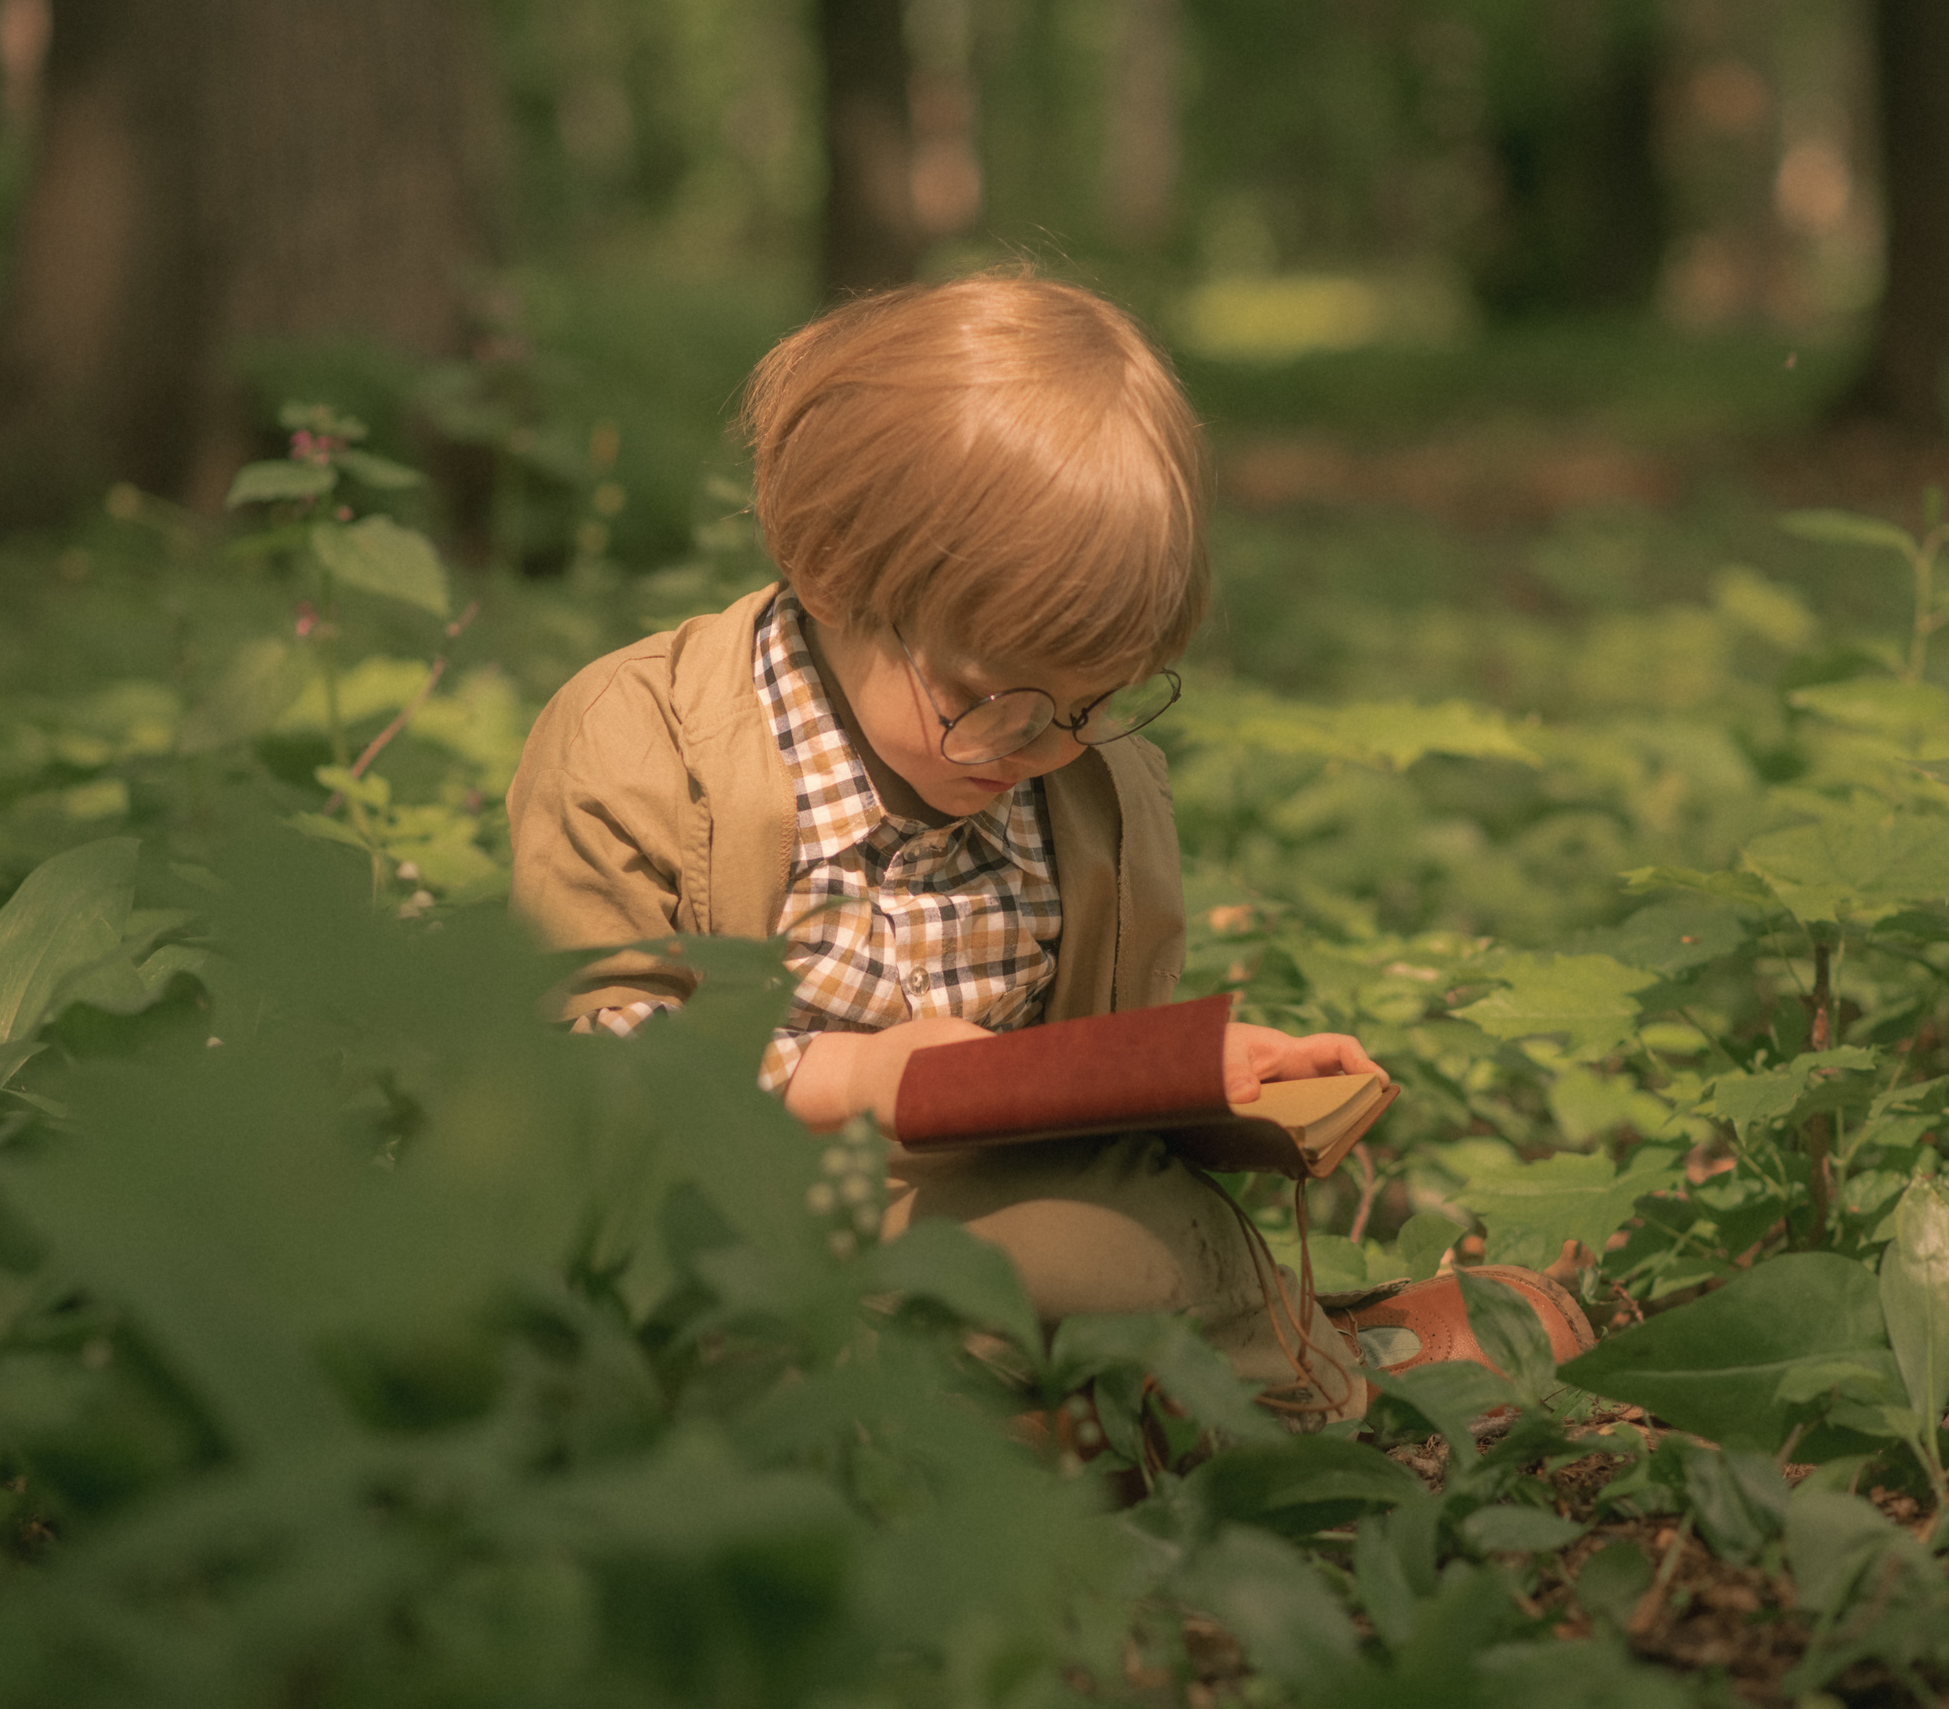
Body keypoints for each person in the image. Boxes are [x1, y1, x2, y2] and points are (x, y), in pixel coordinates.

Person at [506, 271, 1588, 1431]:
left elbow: (1067, 1085)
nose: (1040, 745)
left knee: (1118, 1233)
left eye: (1089, 703)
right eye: (987, 698)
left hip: (991, 1212)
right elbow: (596, 1061)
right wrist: (863, 1080)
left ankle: (1133, 1400)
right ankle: (1295, 1391)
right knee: (1082, 1261)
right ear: (832, 571)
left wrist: (1195, 1075)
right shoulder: (636, 739)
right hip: (740, 1218)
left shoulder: (1083, 787)